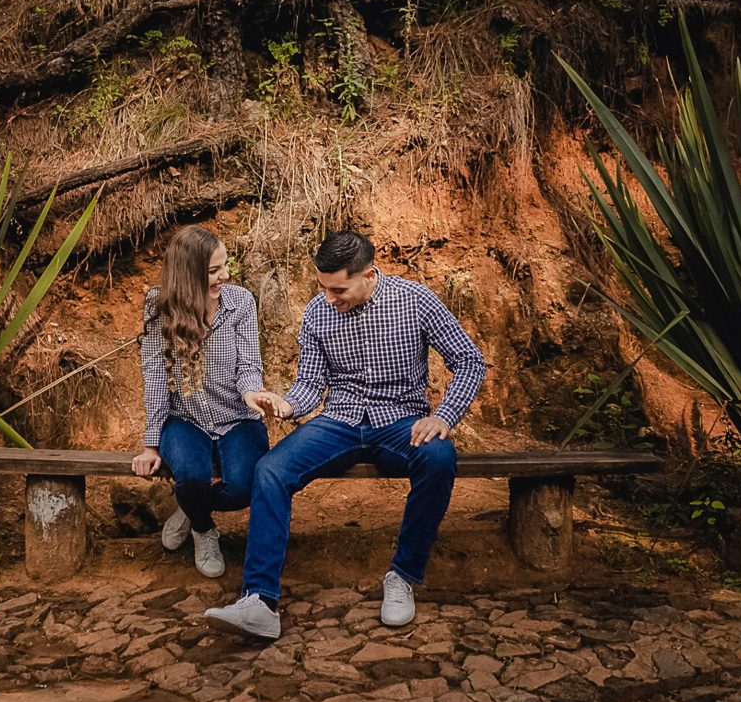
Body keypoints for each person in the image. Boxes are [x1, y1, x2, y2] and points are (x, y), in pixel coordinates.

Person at [203, 230, 487, 640]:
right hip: (339, 421)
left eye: (338, 289)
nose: (328, 298)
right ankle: (259, 600)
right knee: (270, 470)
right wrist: (287, 405)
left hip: (400, 421)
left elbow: (469, 360)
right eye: (323, 288)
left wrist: (444, 415)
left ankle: (403, 576)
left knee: (439, 458)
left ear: (369, 275)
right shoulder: (319, 312)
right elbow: (310, 384)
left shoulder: (416, 301)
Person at [132, 225, 286, 579]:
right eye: (214, 270)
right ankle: (204, 529)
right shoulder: (160, 306)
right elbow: (155, 377)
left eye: (225, 265)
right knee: (190, 476)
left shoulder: (241, 302)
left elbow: (249, 365)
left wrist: (252, 392)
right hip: (184, 418)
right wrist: (151, 445)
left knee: (247, 485)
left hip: (236, 417)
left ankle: (190, 508)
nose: (225, 275)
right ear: (189, 274)